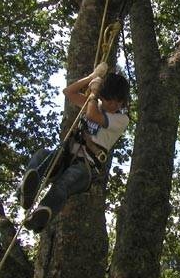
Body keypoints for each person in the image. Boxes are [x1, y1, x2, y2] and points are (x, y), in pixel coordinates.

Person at [19, 63, 130, 232]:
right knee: (42, 155)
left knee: (64, 183)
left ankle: (41, 215)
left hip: (86, 167)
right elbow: (68, 93)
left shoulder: (121, 120)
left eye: (119, 102)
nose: (114, 105)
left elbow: (92, 115)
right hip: (65, 157)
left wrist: (93, 93)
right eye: (110, 100)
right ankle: (27, 192)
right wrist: (92, 77)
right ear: (103, 97)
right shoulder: (95, 104)